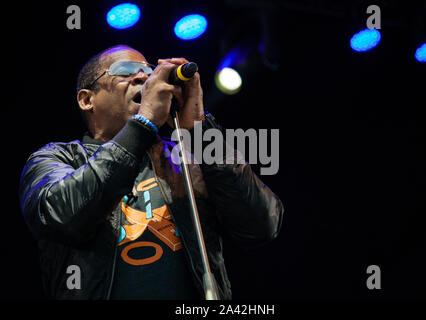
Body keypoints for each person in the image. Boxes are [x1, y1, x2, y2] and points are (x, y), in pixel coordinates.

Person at [18, 44, 284, 300]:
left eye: (147, 70)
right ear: (87, 99)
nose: (143, 77)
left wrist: (200, 131)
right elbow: (61, 216)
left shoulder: (187, 160)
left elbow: (261, 225)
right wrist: (143, 124)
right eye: (125, 70)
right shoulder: (57, 158)